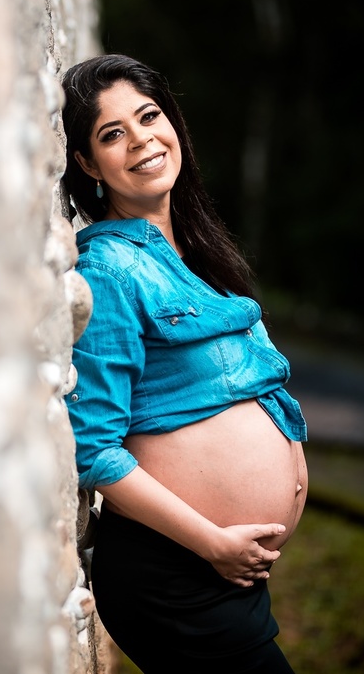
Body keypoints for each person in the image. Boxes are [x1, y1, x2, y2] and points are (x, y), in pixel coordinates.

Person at [61, 54, 308, 673]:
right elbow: (93, 447)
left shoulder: (193, 253)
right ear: (88, 164)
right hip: (174, 568)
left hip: (219, 568)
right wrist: (214, 543)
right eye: (112, 133)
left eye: (149, 116)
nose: (141, 139)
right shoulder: (111, 272)